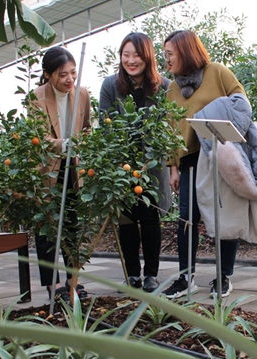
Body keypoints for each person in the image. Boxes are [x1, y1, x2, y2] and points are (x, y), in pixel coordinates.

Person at [161, 30, 246, 299]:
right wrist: (173, 167)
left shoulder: (217, 72)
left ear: (186, 51)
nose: (167, 61)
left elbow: (241, 105)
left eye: (170, 54)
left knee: (223, 216)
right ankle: (185, 278)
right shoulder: (173, 88)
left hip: (218, 156)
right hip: (188, 161)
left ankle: (224, 276)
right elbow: (170, 129)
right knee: (187, 219)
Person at [99, 32, 171, 293]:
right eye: (126, 54)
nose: (131, 60)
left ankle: (151, 275)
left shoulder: (164, 87)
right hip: (122, 168)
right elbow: (104, 126)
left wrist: (156, 160)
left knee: (151, 219)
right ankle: (131, 275)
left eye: (137, 55)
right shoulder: (110, 86)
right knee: (126, 221)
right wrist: (118, 161)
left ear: (147, 57)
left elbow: (169, 127)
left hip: (152, 167)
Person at [32, 46, 91, 303]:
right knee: (47, 227)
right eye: (62, 74)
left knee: (71, 225)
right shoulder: (36, 98)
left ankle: (72, 281)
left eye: (73, 73)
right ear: (47, 74)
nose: (69, 79)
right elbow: (38, 139)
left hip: (73, 169)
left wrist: (83, 143)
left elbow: (87, 128)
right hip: (47, 170)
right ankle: (52, 284)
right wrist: (65, 144)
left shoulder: (82, 94)